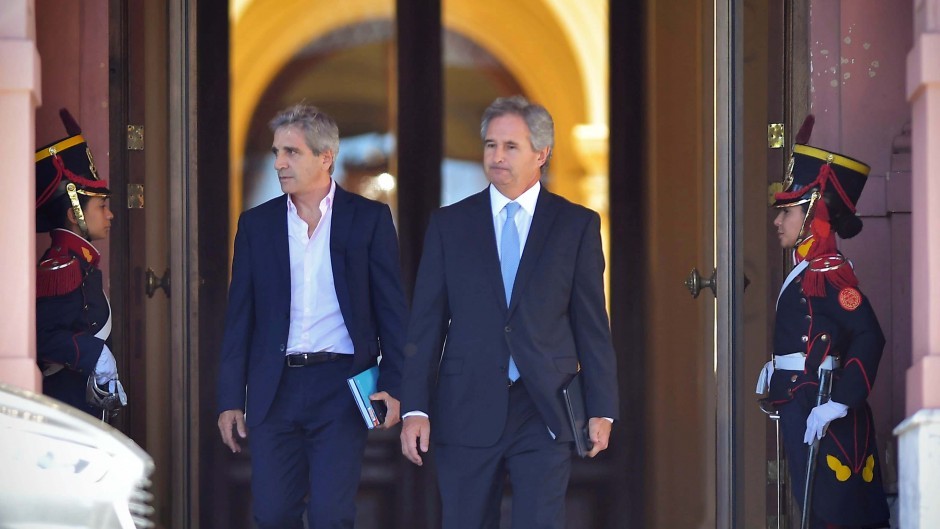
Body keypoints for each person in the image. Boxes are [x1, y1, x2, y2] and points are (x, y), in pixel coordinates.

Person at [399, 95, 619, 529]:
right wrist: (415, 409)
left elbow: (592, 324)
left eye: (510, 146)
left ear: (542, 153)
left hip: (545, 407)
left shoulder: (576, 225)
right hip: (466, 405)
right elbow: (425, 324)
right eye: (490, 145)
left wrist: (602, 408)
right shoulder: (450, 224)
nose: (497, 156)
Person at [216, 103, 408, 529]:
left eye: (292, 152)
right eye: (276, 152)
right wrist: (230, 398)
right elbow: (239, 318)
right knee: (273, 514)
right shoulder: (256, 225)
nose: (279, 163)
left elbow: (392, 311)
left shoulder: (369, 219)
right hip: (274, 388)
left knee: (331, 515)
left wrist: (395, 385)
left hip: (340, 387)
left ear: (326, 157)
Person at [756, 122, 890, 528]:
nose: (778, 221)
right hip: (800, 399)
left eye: (787, 212)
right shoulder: (808, 269)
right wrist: (779, 365)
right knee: (813, 505)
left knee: (831, 510)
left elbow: (869, 334)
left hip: (820, 403)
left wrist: (841, 401)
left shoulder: (828, 273)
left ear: (812, 214)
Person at [35, 108, 127, 419]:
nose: (110, 214)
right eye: (101, 206)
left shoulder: (79, 262)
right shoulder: (61, 266)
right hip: (67, 408)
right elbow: (44, 336)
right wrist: (95, 353)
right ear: (74, 214)